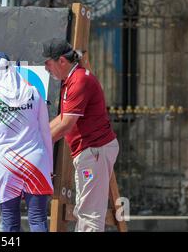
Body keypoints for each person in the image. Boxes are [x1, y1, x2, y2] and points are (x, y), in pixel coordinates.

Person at [42, 38, 119, 232]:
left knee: (89, 214)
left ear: (61, 61)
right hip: (92, 152)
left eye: (47, 63)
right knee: (85, 211)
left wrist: (38, 141)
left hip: (94, 152)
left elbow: (66, 125)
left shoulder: (79, 80)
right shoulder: (72, 79)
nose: (45, 68)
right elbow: (62, 118)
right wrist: (38, 135)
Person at [0, 52, 54, 232]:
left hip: (5, 165)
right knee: (38, 219)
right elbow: (45, 132)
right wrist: (50, 167)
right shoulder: (34, 94)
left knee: (9, 222)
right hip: (36, 162)